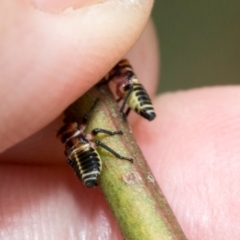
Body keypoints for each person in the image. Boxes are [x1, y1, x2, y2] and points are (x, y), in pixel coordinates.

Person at [0, 1, 239, 239]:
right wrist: (116, 144)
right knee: (101, 142)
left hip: (100, 135)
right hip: (90, 154)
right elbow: (97, 141)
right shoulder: (87, 134)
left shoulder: (89, 123)